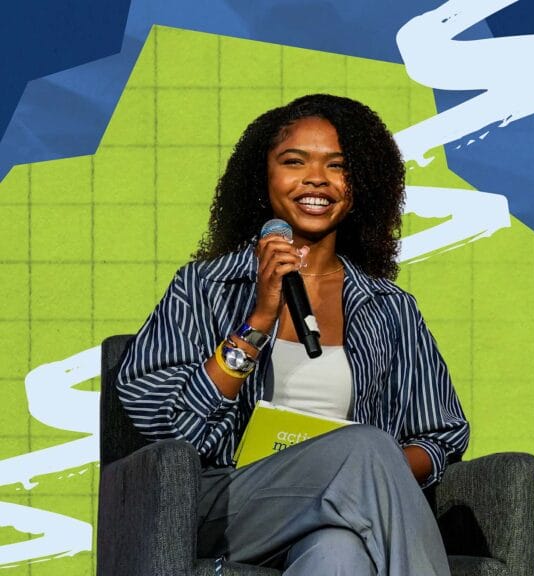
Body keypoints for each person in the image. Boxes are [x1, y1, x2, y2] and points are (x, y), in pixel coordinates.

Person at [116, 94, 469, 575]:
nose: (316, 179)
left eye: (338, 166)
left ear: (360, 184)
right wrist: (258, 321)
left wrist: (370, 475)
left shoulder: (391, 308)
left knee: (339, 552)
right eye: (293, 161)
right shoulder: (204, 287)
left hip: (344, 509)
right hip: (230, 506)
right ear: (264, 177)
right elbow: (173, 432)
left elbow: (440, 434)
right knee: (364, 447)